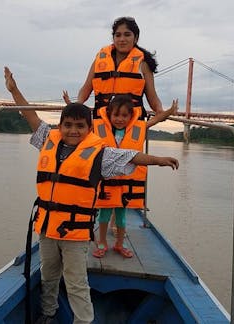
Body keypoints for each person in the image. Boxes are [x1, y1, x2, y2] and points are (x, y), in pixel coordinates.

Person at [4, 66, 179, 324]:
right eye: (68, 125)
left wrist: (159, 160)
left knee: (76, 283)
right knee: (48, 276)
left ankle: (83, 321)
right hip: (46, 228)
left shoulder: (99, 153)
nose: (72, 130)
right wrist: (14, 90)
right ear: (61, 125)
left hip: (74, 234)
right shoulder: (48, 140)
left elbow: (131, 156)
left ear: (89, 128)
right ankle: (48, 313)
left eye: (79, 126)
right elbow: (30, 117)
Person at [67, 16, 178, 238]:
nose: (122, 38)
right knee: (97, 166)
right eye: (118, 34)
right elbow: (86, 88)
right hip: (100, 124)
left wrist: (162, 113)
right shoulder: (100, 58)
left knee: (128, 168)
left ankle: (119, 218)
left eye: (127, 34)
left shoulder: (142, 63)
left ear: (135, 38)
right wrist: (76, 107)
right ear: (113, 37)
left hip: (129, 123)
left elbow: (152, 97)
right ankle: (96, 213)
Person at [91, 94, 178, 258]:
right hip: (106, 184)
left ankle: (119, 243)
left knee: (122, 218)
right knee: (103, 216)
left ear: (131, 116)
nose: (120, 119)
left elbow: (156, 120)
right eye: (116, 115)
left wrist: (170, 111)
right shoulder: (98, 128)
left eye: (124, 115)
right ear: (109, 114)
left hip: (125, 185)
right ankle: (102, 243)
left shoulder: (139, 128)